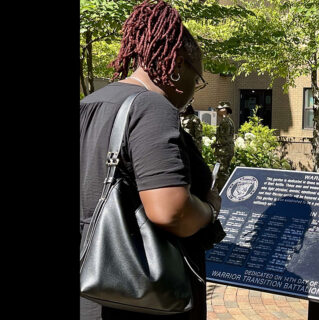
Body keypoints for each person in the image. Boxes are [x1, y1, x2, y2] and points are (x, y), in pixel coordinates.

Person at [79, 1, 223, 319]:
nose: (193, 91)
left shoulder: (89, 104)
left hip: (93, 291)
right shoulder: (151, 106)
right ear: (177, 65)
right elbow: (169, 210)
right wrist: (210, 208)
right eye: (196, 79)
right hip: (144, 297)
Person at [212, 101, 235, 190]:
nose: (217, 111)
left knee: (222, 172)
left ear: (224, 110)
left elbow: (225, 138)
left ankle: (223, 191)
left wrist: (215, 144)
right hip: (226, 150)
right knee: (224, 171)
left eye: (219, 109)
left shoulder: (225, 121)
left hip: (224, 151)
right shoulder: (228, 120)